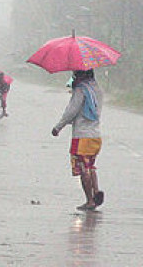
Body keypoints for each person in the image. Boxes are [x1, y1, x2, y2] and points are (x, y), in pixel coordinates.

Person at [51, 69, 104, 211]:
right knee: (91, 166)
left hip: (82, 136)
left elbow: (71, 111)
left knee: (83, 168)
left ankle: (90, 201)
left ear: (81, 75)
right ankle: (96, 191)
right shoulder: (97, 89)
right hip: (95, 135)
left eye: (76, 73)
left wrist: (58, 127)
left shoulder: (81, 90)